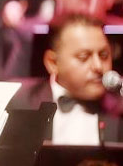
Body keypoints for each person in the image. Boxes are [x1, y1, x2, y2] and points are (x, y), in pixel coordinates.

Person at [10, 13, 123, 143]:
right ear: (53, 63)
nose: (98, 66)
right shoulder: (18, 100)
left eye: (104, 55)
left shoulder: (119, 107)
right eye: (84, 57)